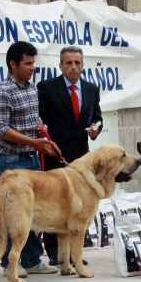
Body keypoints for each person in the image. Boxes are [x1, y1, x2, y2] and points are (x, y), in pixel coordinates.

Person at [0, 41, 58, 278]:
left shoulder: (30, 88)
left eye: (33, 63)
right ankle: (11, 263)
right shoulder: (3, 91)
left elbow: (34, 120)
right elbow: (0, 129)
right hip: (12, 161)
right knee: (12, 215)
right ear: (13, 64)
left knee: (29, 214)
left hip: (32, 162)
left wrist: (43, 133)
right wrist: (32, 142)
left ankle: (30, 260)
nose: (32, 68)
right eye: (27, 63)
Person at [37, 46, 102, 266]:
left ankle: (76, 254)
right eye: (68, 63)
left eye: (77, 63)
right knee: (54, 204)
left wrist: (95, 129)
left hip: (82, 159)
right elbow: (40, 120)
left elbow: (97, 118)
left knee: (80, 206)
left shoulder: (92, 89)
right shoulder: (46, 88)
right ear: (61, 66)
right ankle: (55, 252)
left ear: (83, 65)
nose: (73, 67)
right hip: (56, 155)